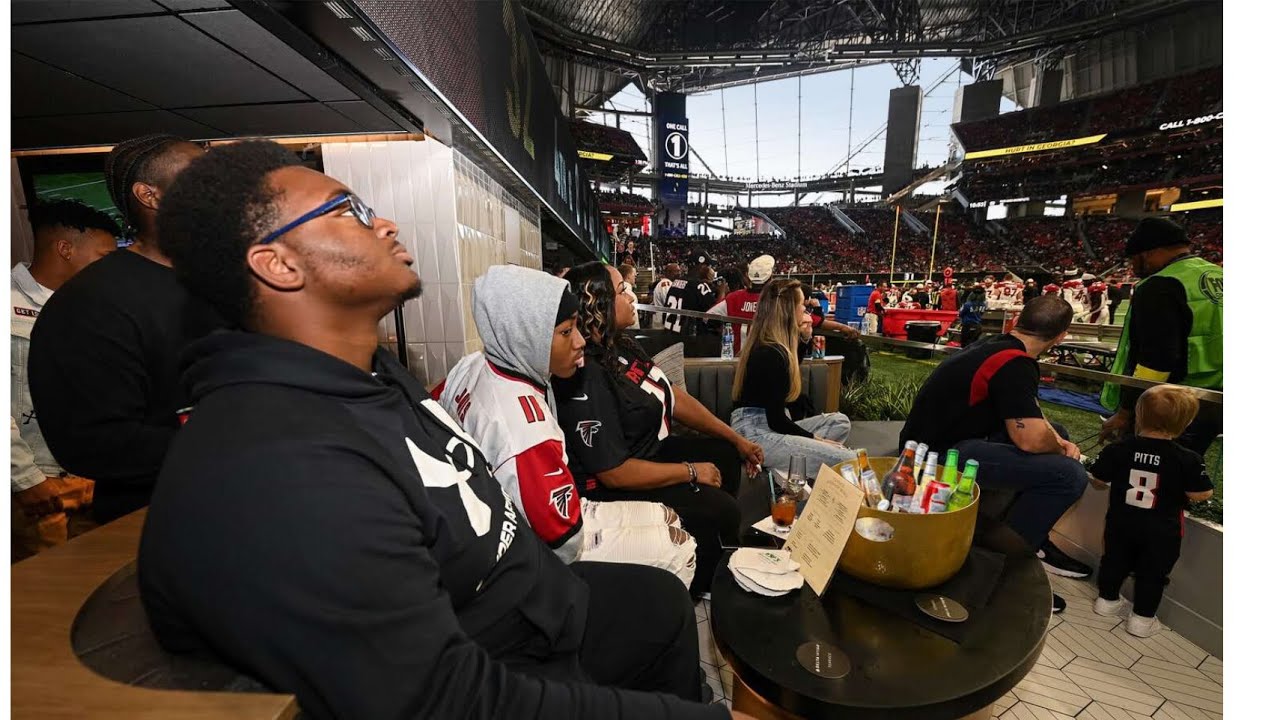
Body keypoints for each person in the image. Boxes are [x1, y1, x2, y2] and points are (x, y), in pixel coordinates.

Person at [137, 141, 736, 720]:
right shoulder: (279, 466)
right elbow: (449, 700)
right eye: (350, 213)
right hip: (510, 656)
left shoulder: (372, 372)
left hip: (541, 600)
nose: (388, 224)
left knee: (661, 608)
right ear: (278, 264)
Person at [442, 265, 695, 587]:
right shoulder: (524, 433)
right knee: (678, 546)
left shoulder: (473, 364)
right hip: (532, 554)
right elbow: (563, 539)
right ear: (526, 334)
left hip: (532, 519)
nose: (579, 341)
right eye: (565, 332)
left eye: (578, 327)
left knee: (668, 516)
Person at [27, 134, 219, 524]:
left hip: (250, 499)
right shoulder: (89, 304)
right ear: (151, 195)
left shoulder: (227, 281)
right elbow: (93, 443)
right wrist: (236, 440)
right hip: (160, 519)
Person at [553, 262, 764, 595]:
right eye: (623, 290)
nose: (632, 297)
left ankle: (714, 558)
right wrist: (691, 472)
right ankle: (697, 588)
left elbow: (672, 396)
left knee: (724, 453)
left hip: (648, 451)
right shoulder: (587, 373)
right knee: (721, 510)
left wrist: (735, 437)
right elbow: (614, 473)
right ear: (599, 303)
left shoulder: (621, 345)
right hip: (614, 485)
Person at [899, 296, 1091, 611]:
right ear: (1061, 336)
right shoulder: (1015, 363)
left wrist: (1059, 441)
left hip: (934, 442)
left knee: (1059, 433)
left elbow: (1032, 416)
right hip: (934, 456)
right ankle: (1003, 568)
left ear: (1016, 320)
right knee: (1069, 475)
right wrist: (1061, 450)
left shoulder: (998, 346)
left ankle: (1030, 539)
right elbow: (1028, 439)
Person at [11, 200, 118, 557]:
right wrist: (26, 479)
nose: (112, 267)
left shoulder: (95, 305)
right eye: (104, 256)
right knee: (45, 603)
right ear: (65, 249)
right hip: (37, 484)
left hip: (92, 479)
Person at [1089, 385, 1214, 637]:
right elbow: (1201, 493)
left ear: (1139, 414)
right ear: (1186, 423)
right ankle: (1142, 619)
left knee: (1114, 560)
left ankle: (1106, 601)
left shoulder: (1119, 448)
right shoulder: (1187, 458)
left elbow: (1098, 479)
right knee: (1153, 573)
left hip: (1121, 521)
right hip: (1162, 529)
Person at [1100, 217, 1223, 456]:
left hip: (1173, 400)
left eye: (1134, 259)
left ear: (1149, 253)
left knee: (1150, 473)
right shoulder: (1220, 275)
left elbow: (1156, 359)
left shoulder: (1160, 285)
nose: (1134, 267)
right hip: (1218, 396)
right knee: (1186, 465)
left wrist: (1127, 411)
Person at [730, 279, 856, 479]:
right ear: (789, 310)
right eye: (802, 306)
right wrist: (817, 441)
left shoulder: (776, 348)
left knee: (839, 422)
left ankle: (786, 465)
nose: (806, 312)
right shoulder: (769, 353)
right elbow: (777, 420)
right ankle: (782, 464)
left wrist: (804, 339)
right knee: (848, 459)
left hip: (769, 425)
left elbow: (787, 382)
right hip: (755, 432)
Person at [663, 252, 718, 336]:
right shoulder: (700, 286)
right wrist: (722, 292)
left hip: (670, 333)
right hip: (689, 339)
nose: (709, 269)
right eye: (708, 266)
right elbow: (716, 316)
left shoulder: (675, 282)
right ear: (701, 266)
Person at [650, 262, 681, 329]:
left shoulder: (669, 283)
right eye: (677, 271)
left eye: (679, 271)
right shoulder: (666, 284)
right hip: (662, 322)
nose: (679, 273)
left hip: (663, 320)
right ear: (668, 273)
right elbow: (669, 302)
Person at [618, 262, 640, 329]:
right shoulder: (630, 294)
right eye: (634, 275)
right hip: (628, 333)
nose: (635, 277)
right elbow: (634, 320)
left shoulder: (616, 290)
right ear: (628, 276)